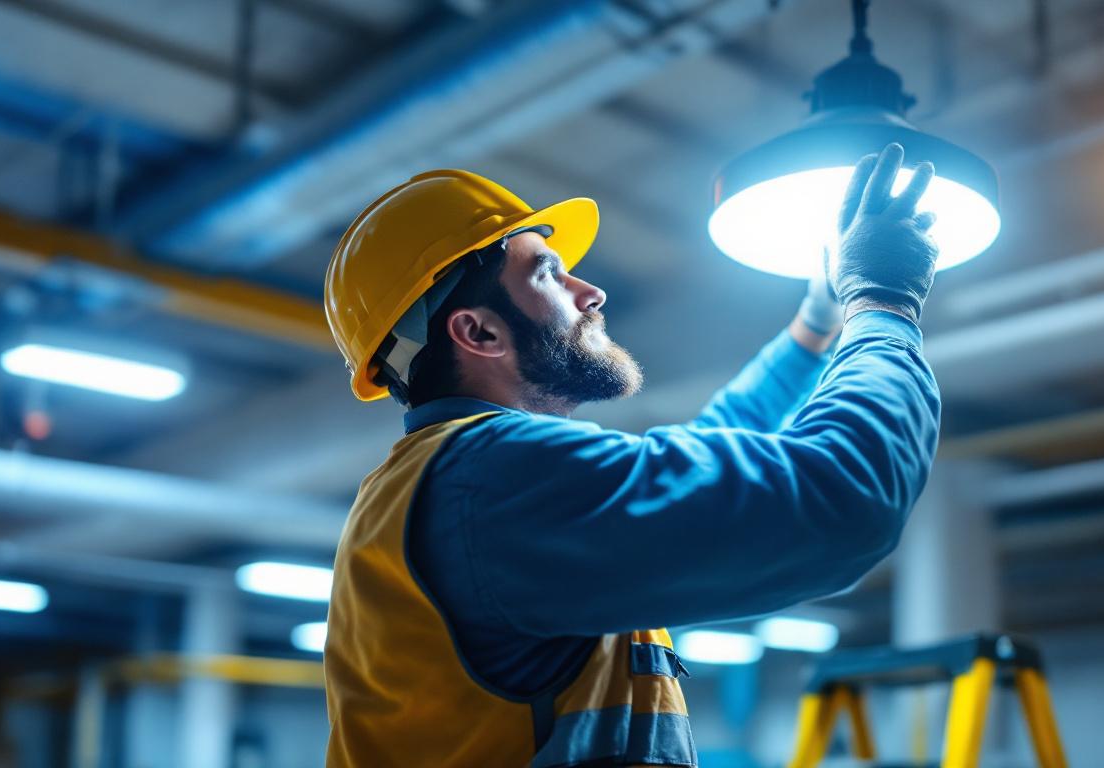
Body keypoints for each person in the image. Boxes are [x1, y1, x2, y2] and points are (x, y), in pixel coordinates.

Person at [321, 142, 941, 767]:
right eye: (547, 273)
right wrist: (882, 304)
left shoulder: (437, 482)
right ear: (478, 332)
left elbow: (705, 463)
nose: (589, 292)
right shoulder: (492, 478)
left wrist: (816, 324)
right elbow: (838, 499)